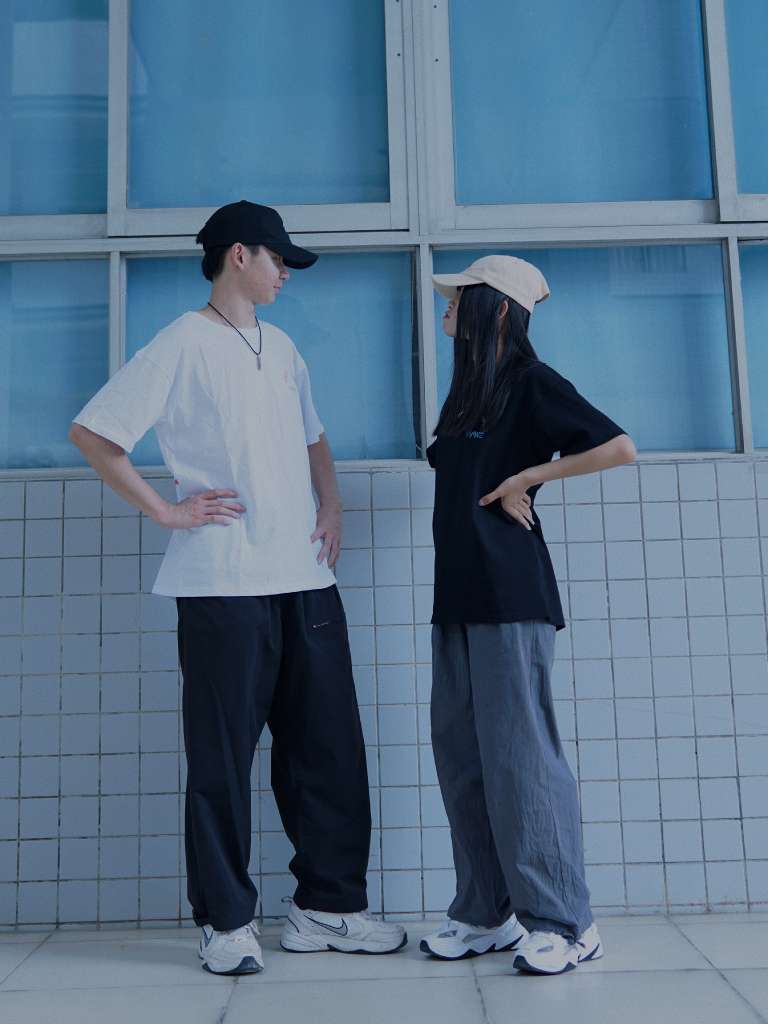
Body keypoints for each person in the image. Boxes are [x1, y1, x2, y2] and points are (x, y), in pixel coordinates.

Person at [68, 200, 405, 975]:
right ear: (238, 255)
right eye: (278, 258)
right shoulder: (181, 343)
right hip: (222, 584)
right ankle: (225, 923)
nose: (286, 272)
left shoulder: (281, 346)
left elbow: (313, 436)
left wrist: (331, 504)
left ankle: (328, 907)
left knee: (329, 751)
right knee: (221, 760)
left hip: (305, 578)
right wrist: (166, 511)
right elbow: (94, 432)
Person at [419, 255, 636, 975]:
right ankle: (487, 913)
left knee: (522, 759)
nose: (448, 310)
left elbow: (618, 446)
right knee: (463, 759)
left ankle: (567, 922)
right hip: (457, 597)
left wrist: (531, 475)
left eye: (460, 300)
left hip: (512, 596)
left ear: (500, 310)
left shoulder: (531, 383)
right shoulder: (466, 396)